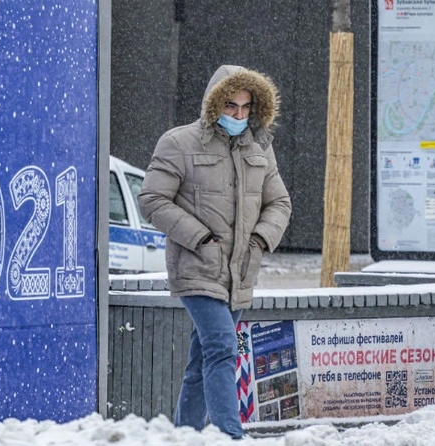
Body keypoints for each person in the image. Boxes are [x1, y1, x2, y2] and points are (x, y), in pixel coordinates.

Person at [138, 64, 291, 439]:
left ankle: (185, 434)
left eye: (245, 107)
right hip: (197, 266)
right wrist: (200, 237)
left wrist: (259, 241)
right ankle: (230, 435)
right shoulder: (179, 143)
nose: (238, 114)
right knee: (223, 347)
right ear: (214, 103)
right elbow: (152, 199)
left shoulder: (259, 147)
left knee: (201, 360)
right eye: (230, 105)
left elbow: (280, 203)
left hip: (240, 273)